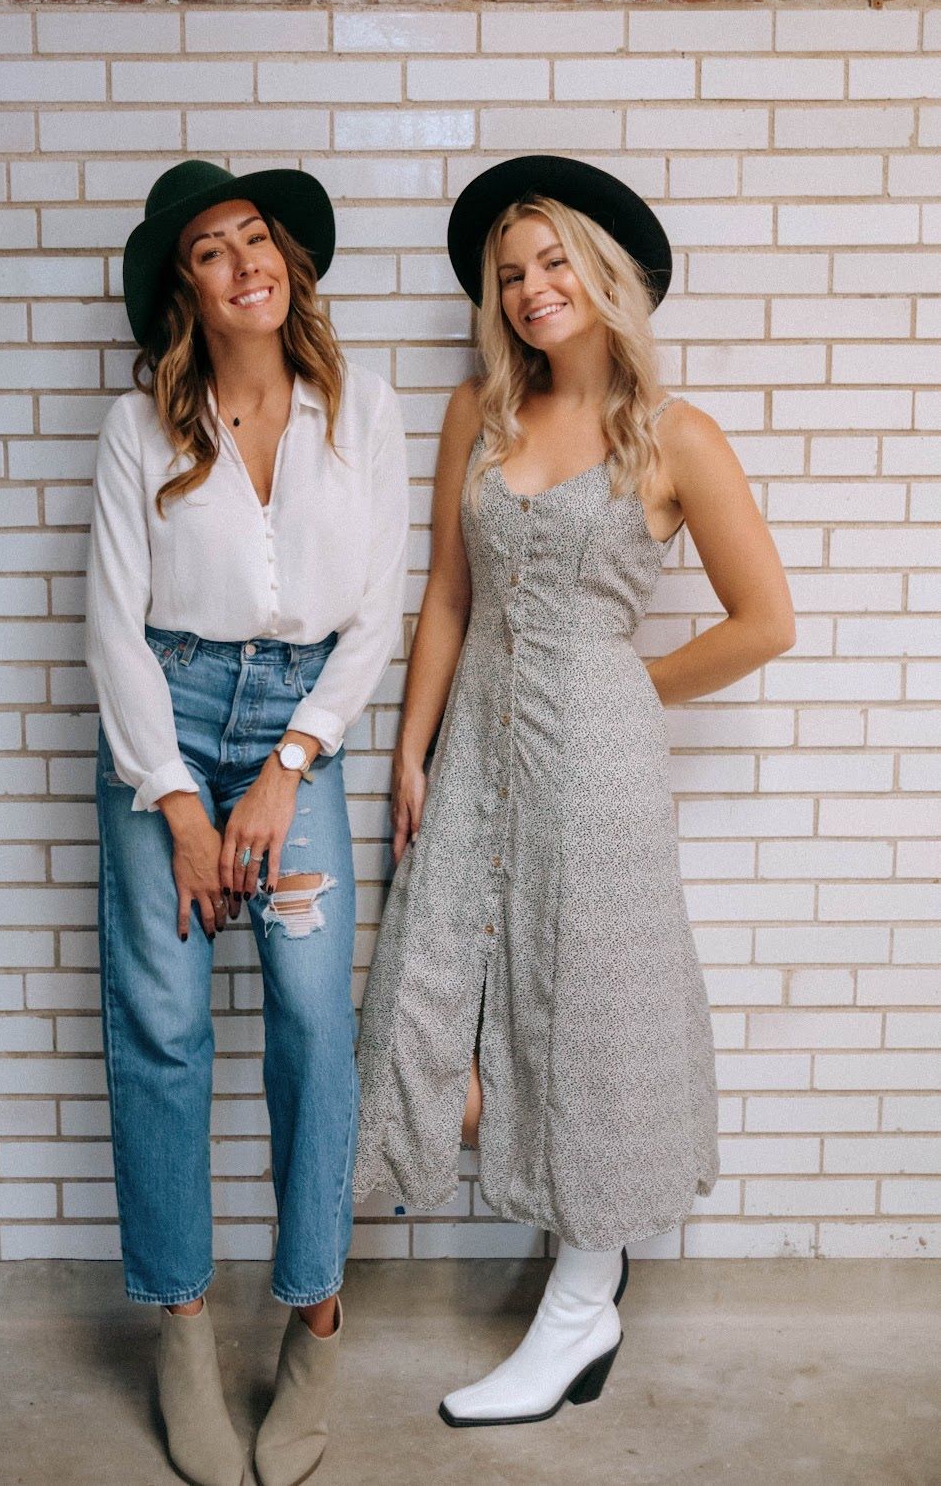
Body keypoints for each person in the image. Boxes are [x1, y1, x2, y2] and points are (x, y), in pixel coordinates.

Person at [354, 155, 795, 1428]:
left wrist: (636, 683)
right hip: (475, 750)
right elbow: (447, 595)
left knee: (589, 1015)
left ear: (605, 275)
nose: (532, 289)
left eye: (554, 263)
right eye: (511, 275)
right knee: (429, 1002)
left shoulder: (675, 437)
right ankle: (579, 1290)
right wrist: (409, 748)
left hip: (598, 763)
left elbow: (765, 620)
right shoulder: (474, 417)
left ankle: (578, 1299)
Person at [86, 159, 408, 1486]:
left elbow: (376, 608)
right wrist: (176, 802)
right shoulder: (137, 426)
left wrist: (286, 766)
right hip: (161, 725)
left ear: (290, 265)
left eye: (256, 238)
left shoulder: (362, 407)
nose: (242, 261)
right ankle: (176, 1331)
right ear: (187, 288)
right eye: (211, 249)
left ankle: (315, 1319)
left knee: (310, 1019)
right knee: (161, 1024)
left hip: (297, 732)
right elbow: (110, 623)